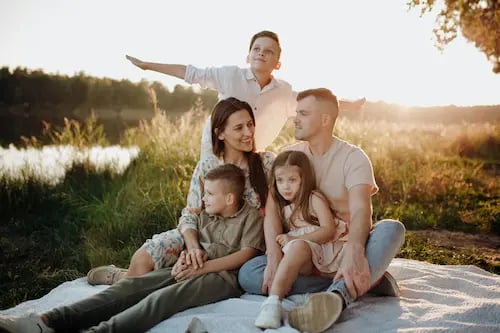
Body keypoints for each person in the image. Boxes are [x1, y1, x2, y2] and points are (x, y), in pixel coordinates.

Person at [0, 164, 266, 333]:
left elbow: (246, 255)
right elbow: (192, 238)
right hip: (190, 268)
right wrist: (188, 256)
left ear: (229, 198)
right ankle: (48, 320)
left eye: (209, 193)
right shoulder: (207, 214)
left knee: (159, 300)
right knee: (131, 286)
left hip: (221, 278)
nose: (203, 198)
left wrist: (204, 267)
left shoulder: (251, 216)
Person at [238, 88, 406, 333]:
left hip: (344, 245)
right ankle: (368, 280)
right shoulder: (290, 155)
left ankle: (338, 296)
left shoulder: (353, 157)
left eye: (303, 113)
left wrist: (356, 251)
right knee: (249, 274)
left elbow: (361, 211)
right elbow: (272, 211)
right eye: (296, 112)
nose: (295, 118)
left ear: (325, 119)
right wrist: (274, 255)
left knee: (392, 229)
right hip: (306, 250)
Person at [86, 97, 275, 285]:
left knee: (172, 280)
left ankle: (131, 280)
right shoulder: (206, 167)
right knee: (143, 259)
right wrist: (193, 248)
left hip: (241, 242)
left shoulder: (266, 164)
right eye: (239, 127)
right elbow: (190, 214)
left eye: (250, 124)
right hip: (202, 236)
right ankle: (121, 277)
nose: (248, 132)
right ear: (220, 134)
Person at [126, 30, 366, 159]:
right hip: (217, 147)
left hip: (252, 154)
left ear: (278, 63)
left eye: (268, 51)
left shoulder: (283, 91)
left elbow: (316, 104)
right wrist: (148, 65)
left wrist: (351, 106)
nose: (261, 53)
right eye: (256, 49)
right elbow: (190, 72)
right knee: (214, 194)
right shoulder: (229, 75)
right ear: (248, 56)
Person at [254, 150, 348, 329]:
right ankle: (273, 303)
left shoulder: (314, 198)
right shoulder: (285, 209)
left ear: (303, 179)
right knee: (256, 270)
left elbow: (328, 230)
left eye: (292, 180)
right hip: (308, 261)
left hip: (327, 251)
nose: (285, 187)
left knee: (297, 247)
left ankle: (273, 301)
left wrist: (294, 238)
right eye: (280, 180)